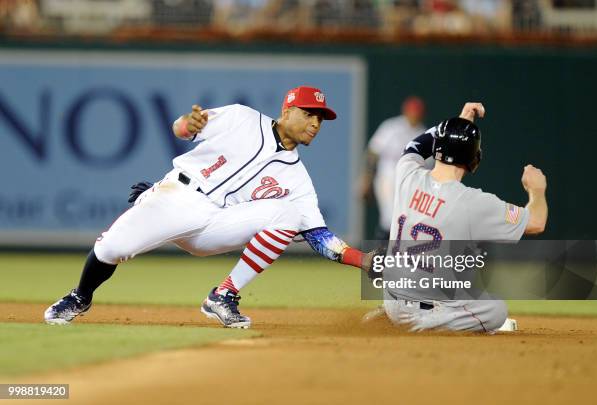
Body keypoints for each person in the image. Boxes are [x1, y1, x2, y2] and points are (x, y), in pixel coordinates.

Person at [44, 86, 368, 329]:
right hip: (178, 197)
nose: (315, 123)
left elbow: (320, 237)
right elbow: (181, 129)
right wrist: (188, 124)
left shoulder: (297, 179)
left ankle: (223, 296)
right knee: (113, 247)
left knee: (290, 214)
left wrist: (363, 260)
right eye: (309, 114)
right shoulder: (243, 118)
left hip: (217, 223)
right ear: (287, 110)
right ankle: (80, 296)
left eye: (321, 119)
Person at [381, 102, 548, 332]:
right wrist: (537, 190)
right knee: (495, 309)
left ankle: (399, 319)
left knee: (460, 280)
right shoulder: (474, 202)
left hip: (391, 299)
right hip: (424, 311)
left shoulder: (406, 173)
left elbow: (416, 145)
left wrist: (457, 121)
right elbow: (537, 222)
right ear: (474, 160)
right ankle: (421, 326)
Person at [360, 96, 426, 240]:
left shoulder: (423, 133)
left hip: (410, 183)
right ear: (405, 111)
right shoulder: (391, 127)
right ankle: (380, 256)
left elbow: (428, 168)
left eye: (417, 112)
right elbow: (373, 153)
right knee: (389, 218)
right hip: (387, 179)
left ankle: (393, 256)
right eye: (412, 111)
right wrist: (366, 179)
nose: (414, 115)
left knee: (406, 220)